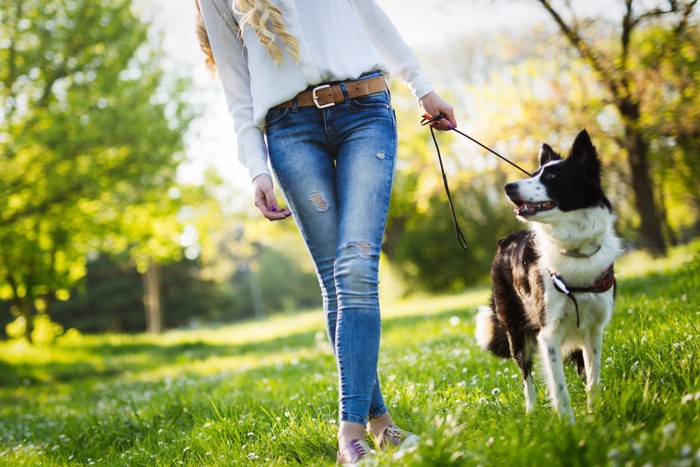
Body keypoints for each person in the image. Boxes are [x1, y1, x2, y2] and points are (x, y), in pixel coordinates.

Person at [195, 0, 457, 463]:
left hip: (366, 111)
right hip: (290, 130)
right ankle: (379, 427)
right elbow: (236, 88)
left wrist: (423, 88)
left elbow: (371, 17)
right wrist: (256, 167)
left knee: (356, 266)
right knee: (338, 281)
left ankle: (349, 436)